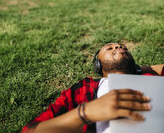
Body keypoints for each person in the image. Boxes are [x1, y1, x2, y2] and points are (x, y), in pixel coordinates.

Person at [22, 43, 164, 133]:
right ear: (98, 65)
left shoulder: (150, 78)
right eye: (110, 48)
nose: (119, 47)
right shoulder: (83, 89)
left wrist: (136, 70)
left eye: (123, 47)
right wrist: (86, 113)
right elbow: (30, 130)